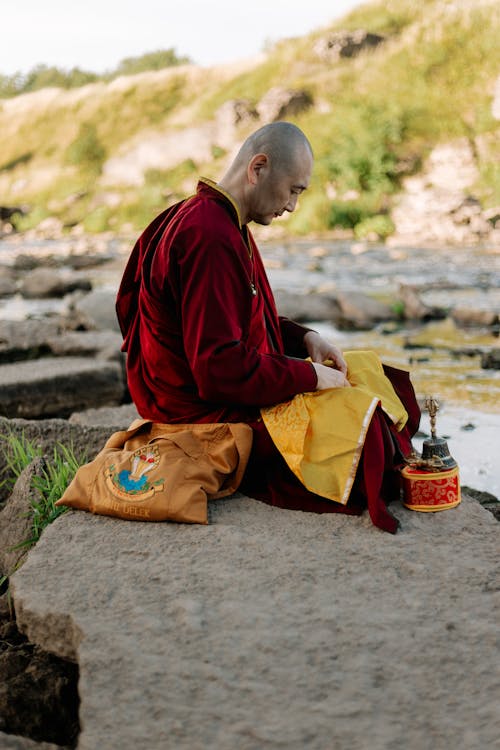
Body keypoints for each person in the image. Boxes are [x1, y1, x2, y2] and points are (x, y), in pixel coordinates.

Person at [116, 121, 420, 532]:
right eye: (294, 189)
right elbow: (218, 367)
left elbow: (236, 316)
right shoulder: (208, 234)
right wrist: (308, 376)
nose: (293, 206)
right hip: (205, 415)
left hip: (219, 390)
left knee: (366, 371)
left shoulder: (220, 219)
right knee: (365, 439)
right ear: (257, 168)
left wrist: (305, 338)